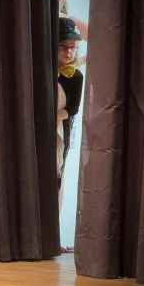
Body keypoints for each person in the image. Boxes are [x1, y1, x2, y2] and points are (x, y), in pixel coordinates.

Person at [57, 18, 84, 182]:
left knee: (57, 161)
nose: (68, 52)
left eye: (72, 47)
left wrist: (58, 115)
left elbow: (74, 107)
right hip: (39, 124)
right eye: (63, 46)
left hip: (61, 125)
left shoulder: (76, 76)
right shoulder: (41, 69)